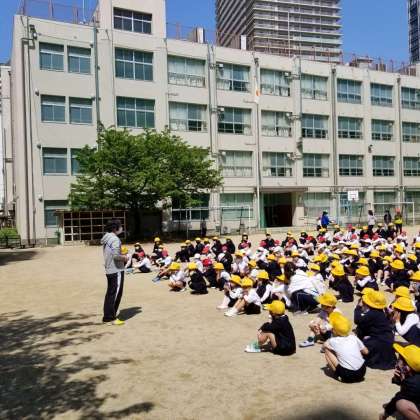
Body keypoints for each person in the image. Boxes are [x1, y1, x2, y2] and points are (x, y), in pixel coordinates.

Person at [354, 290, 396, 370]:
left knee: (360, 337)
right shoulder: (380, 312)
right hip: (387, 339)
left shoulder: (373, 313)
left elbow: (357, 320)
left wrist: (358, 307)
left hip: (379, 342)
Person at [322, 312, 368, 383]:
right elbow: (366, 352)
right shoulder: (354, 337)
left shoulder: (332, 341)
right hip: (362, 371)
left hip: (347, 374)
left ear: (333, 330)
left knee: (326, 349)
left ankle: (338, 374)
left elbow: (324, 346)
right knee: (357, 350)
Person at [380, 344, 420, 420]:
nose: (397, 361)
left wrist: (386, 413)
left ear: (407, 368)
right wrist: (397, 379)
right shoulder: (414, 377)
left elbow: (399, 396)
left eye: (400, 359)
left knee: (401, 404)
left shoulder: (412, 384)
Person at [100, 219, 127, 326]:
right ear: (115, 228)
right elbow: (116, 256)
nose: (121, 228)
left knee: (110, 293)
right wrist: (125, 257)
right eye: (120, 226)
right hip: (116, 270)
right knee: (115, 294)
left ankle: (108, 316)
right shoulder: (115, 239)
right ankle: (110, 318)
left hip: (110, 269)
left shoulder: (107, 238)